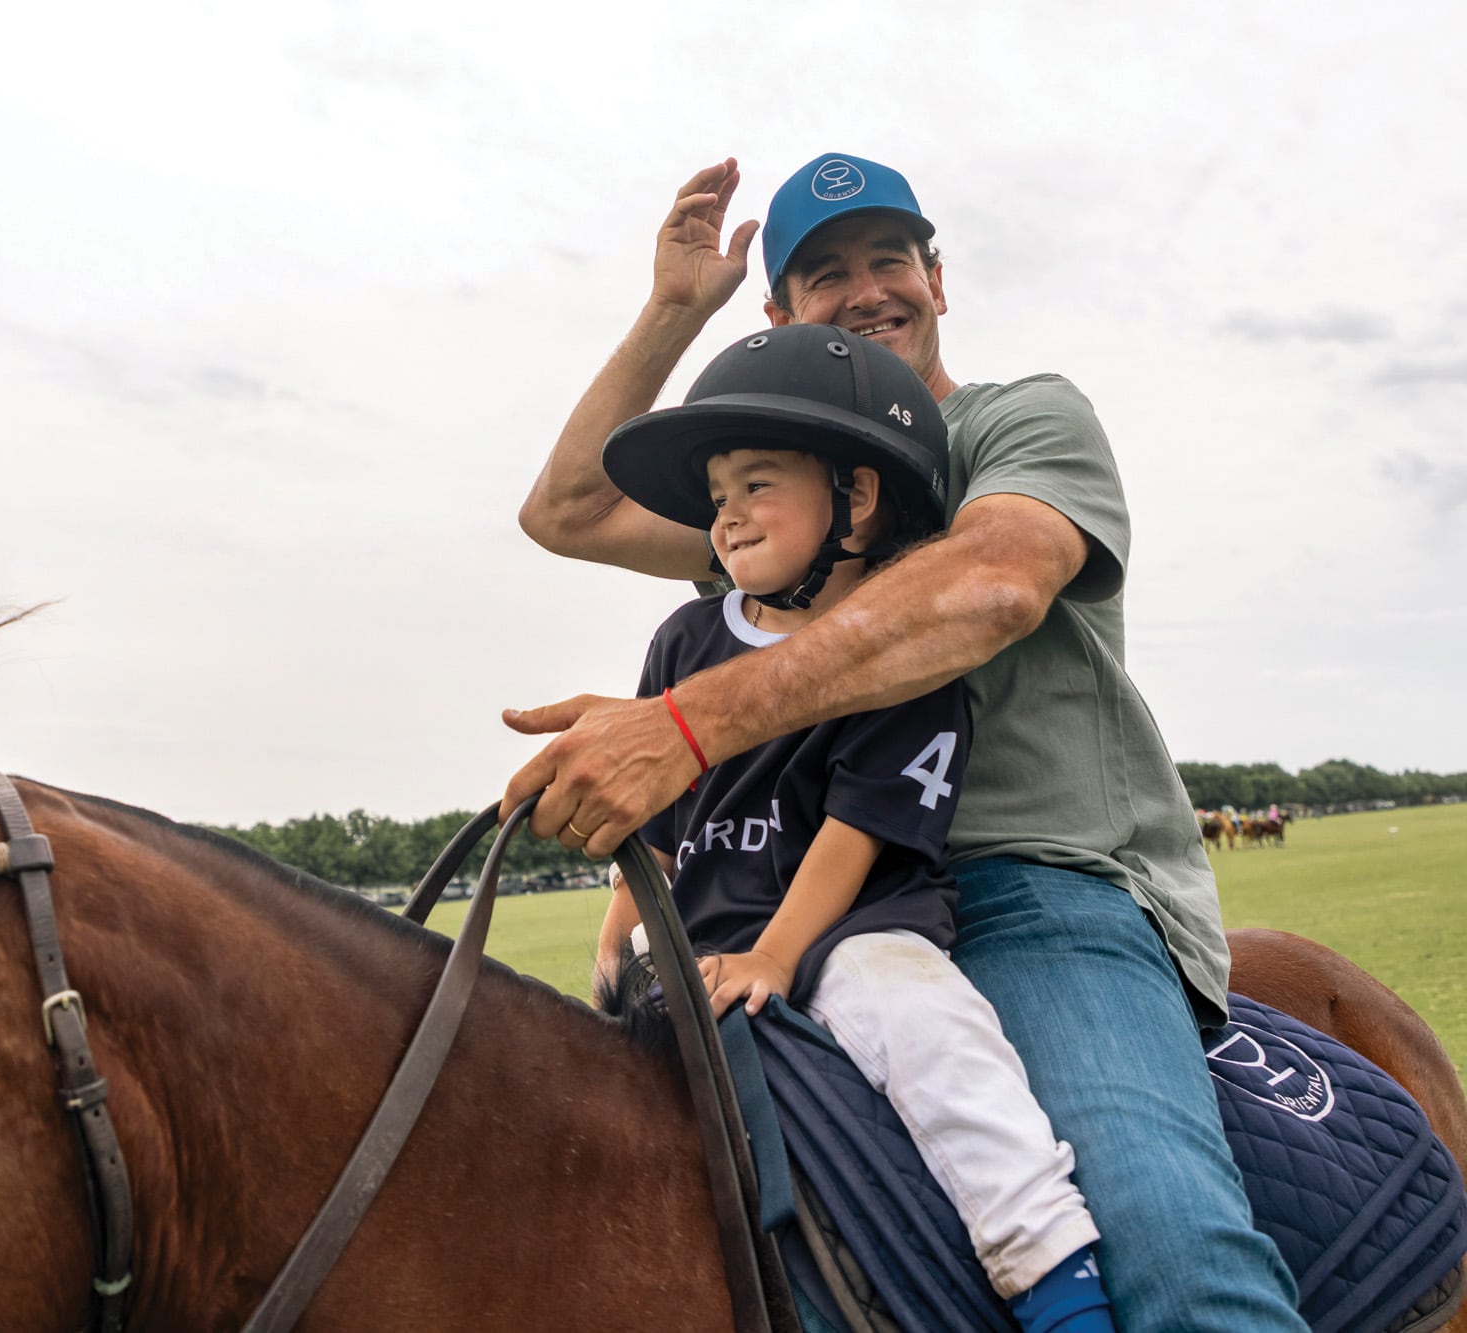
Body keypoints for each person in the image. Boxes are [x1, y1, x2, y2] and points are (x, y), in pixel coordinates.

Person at [503, 153, 1308, 1329]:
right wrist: (672, 311)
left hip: (1026, 890)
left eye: (891, 258)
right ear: (778, 316)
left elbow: (992, 583)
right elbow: (565, 511)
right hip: (783, 908)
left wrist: (680, 727)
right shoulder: (775, 501)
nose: (867, 287)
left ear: (937, 278)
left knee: (1172, 1262)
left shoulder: (1020, 419)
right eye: (824, 272)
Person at [597, 319, 1114, 1332]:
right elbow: (658, 832)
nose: (728, 519)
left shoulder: (901, 655)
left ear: (857, 496)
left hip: (846, 932)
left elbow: (853, 827)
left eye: (756, 485)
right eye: (715, 500)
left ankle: (1052, 1272)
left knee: (932, 1035)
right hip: (699, 940)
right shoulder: (681, 637)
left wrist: (779, 956)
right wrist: (616, 937)